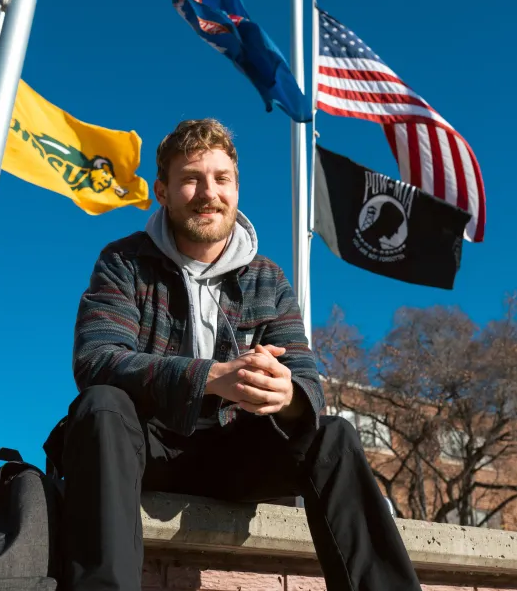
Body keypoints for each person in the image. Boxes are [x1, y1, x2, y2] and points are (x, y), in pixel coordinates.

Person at [53, 118, 422, 591]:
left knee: (334, 435)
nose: (209, 192)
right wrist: (211, 377)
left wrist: (283, 392)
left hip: (234, 453)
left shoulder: (267, 277)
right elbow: (97, 359)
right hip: (143, 450)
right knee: (101, 404)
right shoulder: (123, 261)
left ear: (236, 188)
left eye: (221, 179)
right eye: (191, 179)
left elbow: (307, 379)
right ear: (163, 191)